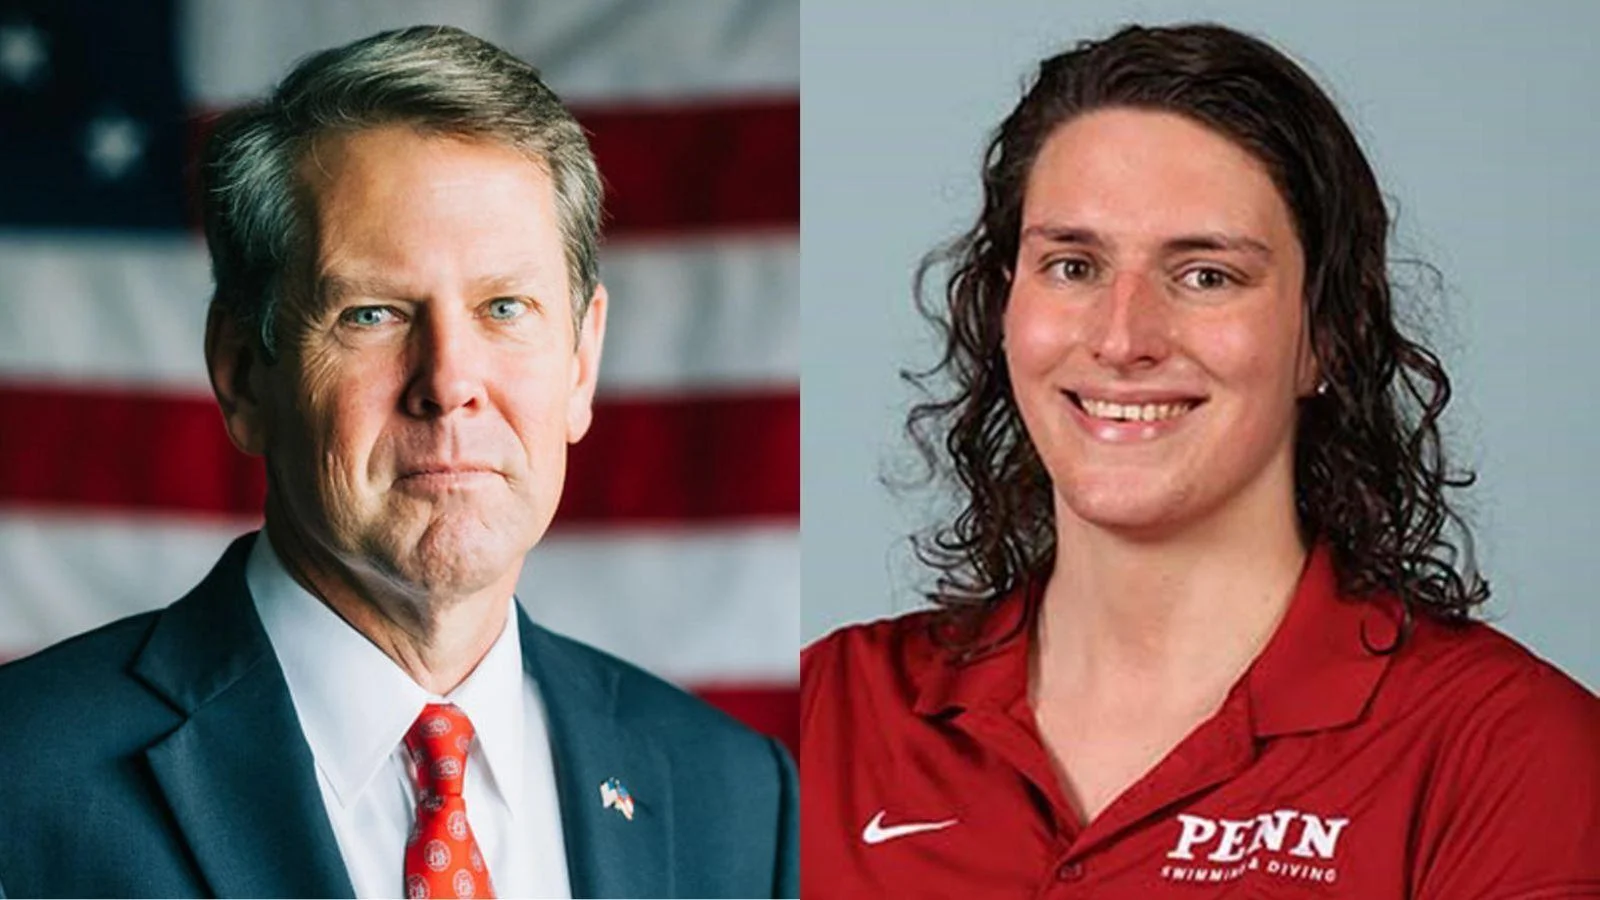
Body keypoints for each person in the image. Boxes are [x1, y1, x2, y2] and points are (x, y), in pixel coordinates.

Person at [802, 22, 1598, 898]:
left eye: (1206, 275)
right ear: (1003, 309)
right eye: (1072, 265)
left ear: (1325, 337)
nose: (1122, 337)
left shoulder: (1509, 753)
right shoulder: (824, 719)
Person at [0, 26, 796, 899]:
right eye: (372, 314)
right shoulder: (25, 779)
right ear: (241, 373)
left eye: (505, 306)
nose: (450, 382)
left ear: (580, 363)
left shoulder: (739, 799)